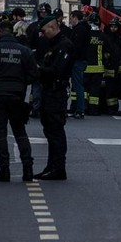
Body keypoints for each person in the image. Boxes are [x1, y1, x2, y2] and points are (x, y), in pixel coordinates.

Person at [0, 19, 40, 182]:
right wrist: (20, 82)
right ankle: (28, 169)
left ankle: (4, 170)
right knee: (20, 132)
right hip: (17, 95)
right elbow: (34, 74)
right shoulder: (24, 51)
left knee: (0, 134)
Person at [35, 15, 74, 180]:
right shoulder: (53, 45)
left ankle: (58, 168)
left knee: (56, 131)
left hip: (56, 92)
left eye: (44, 31)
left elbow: (57, 70)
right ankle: (51, 166)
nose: (43, 35)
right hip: (49, 91)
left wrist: (38, 69)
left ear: (53, 27)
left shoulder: (64, 45)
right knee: (50, 131)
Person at [83, 11, 107, 115]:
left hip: (86, 67)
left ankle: (83, 107)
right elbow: (109, 51)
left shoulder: (85, 35)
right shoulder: (103, 36)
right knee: (95, 90)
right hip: (98, 68)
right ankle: (93, 109)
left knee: (84, 89)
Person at [68, 9, 90, 119]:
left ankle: (80, 109)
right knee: (77, 86)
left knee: (78, 86)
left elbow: (76, 47)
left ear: (75, 17)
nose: (70, 20)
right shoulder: (83, 29)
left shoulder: (79, 30)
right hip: (81, 60)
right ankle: (78, 108)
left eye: (71, 18)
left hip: (78, 61)